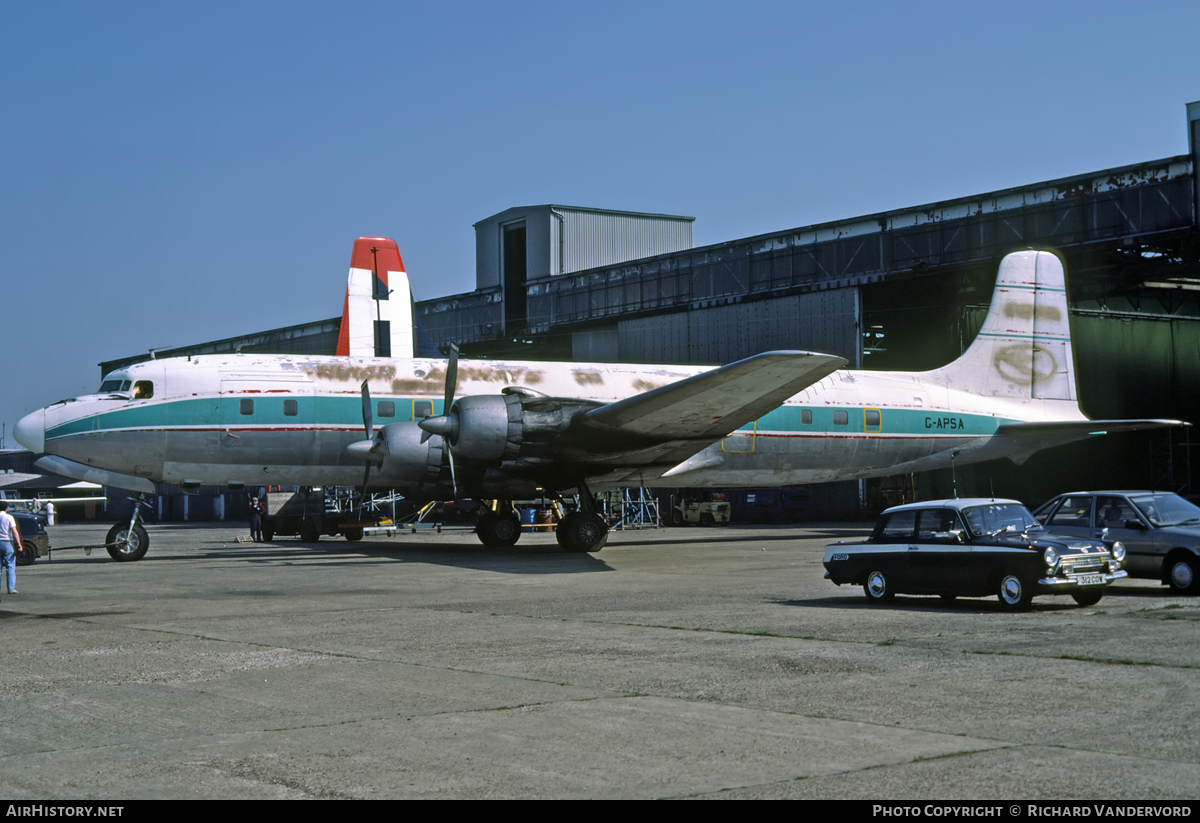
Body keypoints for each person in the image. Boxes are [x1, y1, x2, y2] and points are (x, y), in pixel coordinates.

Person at [0, 501, 22, 595]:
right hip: (6, 542)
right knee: (10, 565)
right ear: (6, 508)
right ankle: (10, 588)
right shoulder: (9, 517)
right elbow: (14, 531)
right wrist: (19, 544)